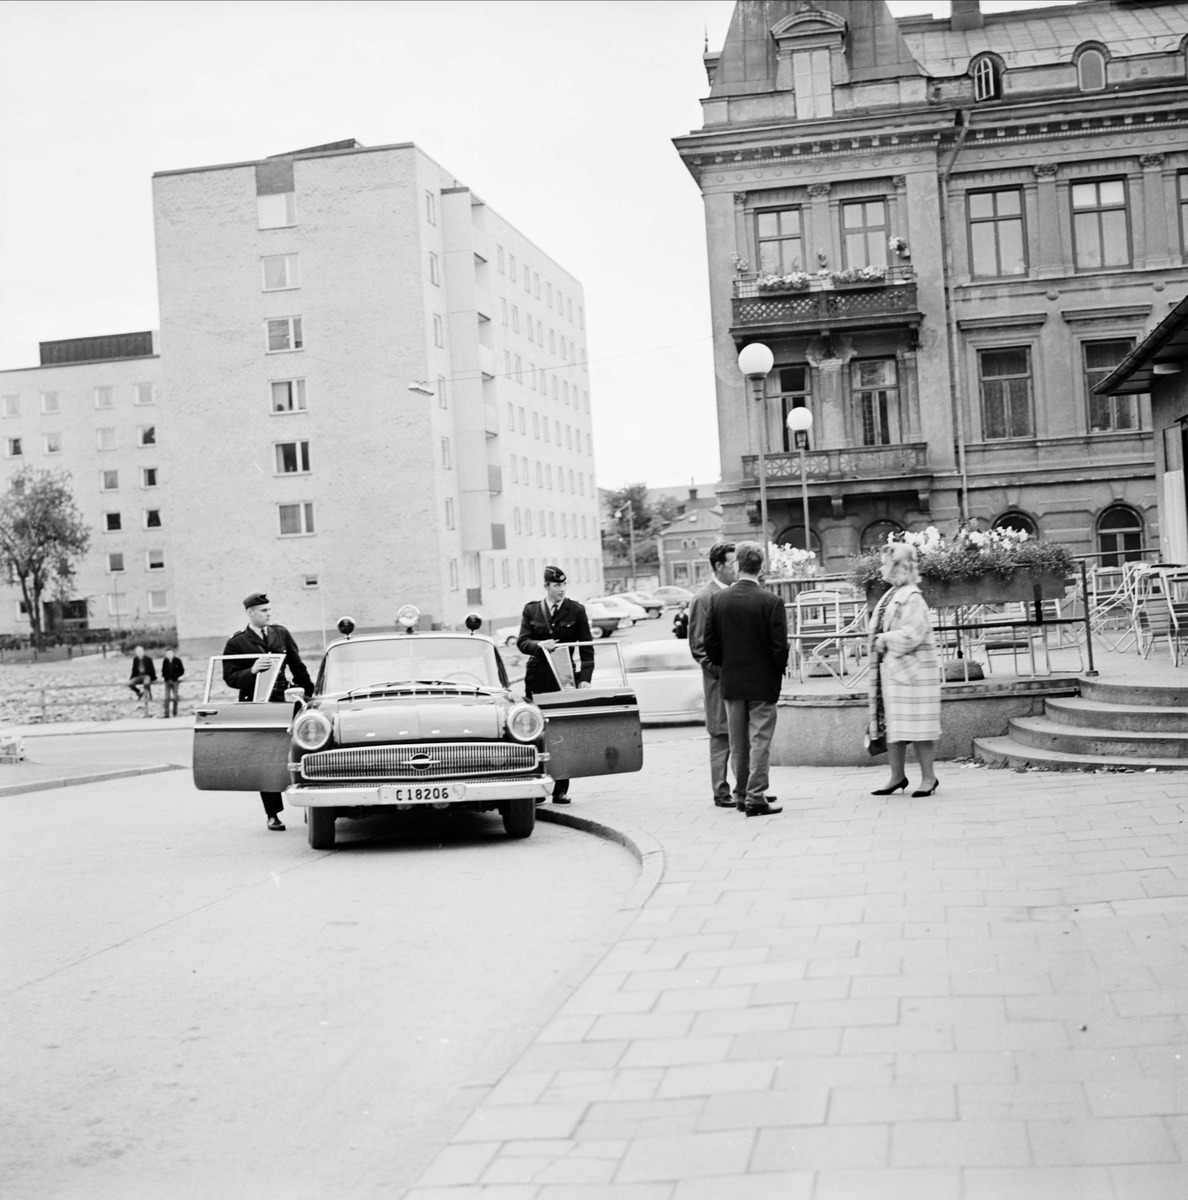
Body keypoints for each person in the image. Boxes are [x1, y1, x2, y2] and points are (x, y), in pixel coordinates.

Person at [703, 541, 788, 817]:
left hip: (732, 683)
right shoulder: (772, 602)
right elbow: (780, 648)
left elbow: (710, 644)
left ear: (738, 565)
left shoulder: (718, 600)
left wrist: (725, 665)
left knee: (738, 743)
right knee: (760, 741)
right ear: (761, 567)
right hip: (763, 683)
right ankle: (756, 796)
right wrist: (775, 673)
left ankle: (741, 795)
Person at [222, 592, 314, 831]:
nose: (268, 614)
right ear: (250, 613)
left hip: (286, 700)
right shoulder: (237, 642)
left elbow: (297, 666)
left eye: (269, 610)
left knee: (303, 750)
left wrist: (313, 696)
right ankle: (273, 814)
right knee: (266, 758)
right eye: (263, 611)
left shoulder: (280, 633)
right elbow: (230, 678)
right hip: (258, 705)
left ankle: (312, 805)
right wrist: (251, 671)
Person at [868, 542, 942, 797]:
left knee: (919, 727)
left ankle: (929, 778)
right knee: (895, 726)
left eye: (886, 563)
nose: (882, 568)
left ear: (898, 566)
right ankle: (897, 776)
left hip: (913, 674)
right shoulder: (896, 593)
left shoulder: (912, 597)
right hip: (898, 672)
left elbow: (913, 634)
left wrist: (885, 639)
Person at [516, 565, 594, 804]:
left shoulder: (576, 610)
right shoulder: (532, 610)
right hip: (538, 677)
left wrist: (584, 680)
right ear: (546, 587)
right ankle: (538, 787)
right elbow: (522, 642)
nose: (561, 589)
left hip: (564, 677)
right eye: (556, 585)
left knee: (562, 731)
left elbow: (587, 650)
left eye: (563, 585)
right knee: (536, 732)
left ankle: (561, 788)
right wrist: (540, 645)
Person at [688, 542, 738, 808]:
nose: (736, 569)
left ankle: (746, 789)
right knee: (721, 736)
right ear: (718, 566)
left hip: (739, 679)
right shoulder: (703, 598)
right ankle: (721, 792)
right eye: (732, 564)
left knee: (741, 734)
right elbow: (698, 647)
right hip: (719, 682)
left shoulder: (736, 593)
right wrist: (722, 671)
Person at [128, 646, 156, 713]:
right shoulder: (135, 659)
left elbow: (152, 669)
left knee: (146, 683)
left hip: (146, 675)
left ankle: (149, 694)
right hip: (138, 675)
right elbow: (133, 669)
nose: (139, 653)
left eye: (141, 652)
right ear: (136, 653)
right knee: (130, 684)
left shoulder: (148, 659)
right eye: (138, 652)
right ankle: (139, 692)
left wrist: (153, 677)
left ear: (143, 652)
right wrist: (131, 678)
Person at [160, 648, 185, 718]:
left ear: (173, 653)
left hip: (175, 681)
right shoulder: (165, 661)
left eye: (170, 653)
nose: (169, 655)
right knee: (166, 697)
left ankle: (175, 713)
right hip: (167, 681)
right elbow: (163, 671)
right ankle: (166, 713)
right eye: (167, 654)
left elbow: (182, 671)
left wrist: (176, 676)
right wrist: (166, 677)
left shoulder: (177, 661)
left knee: (175, 697)